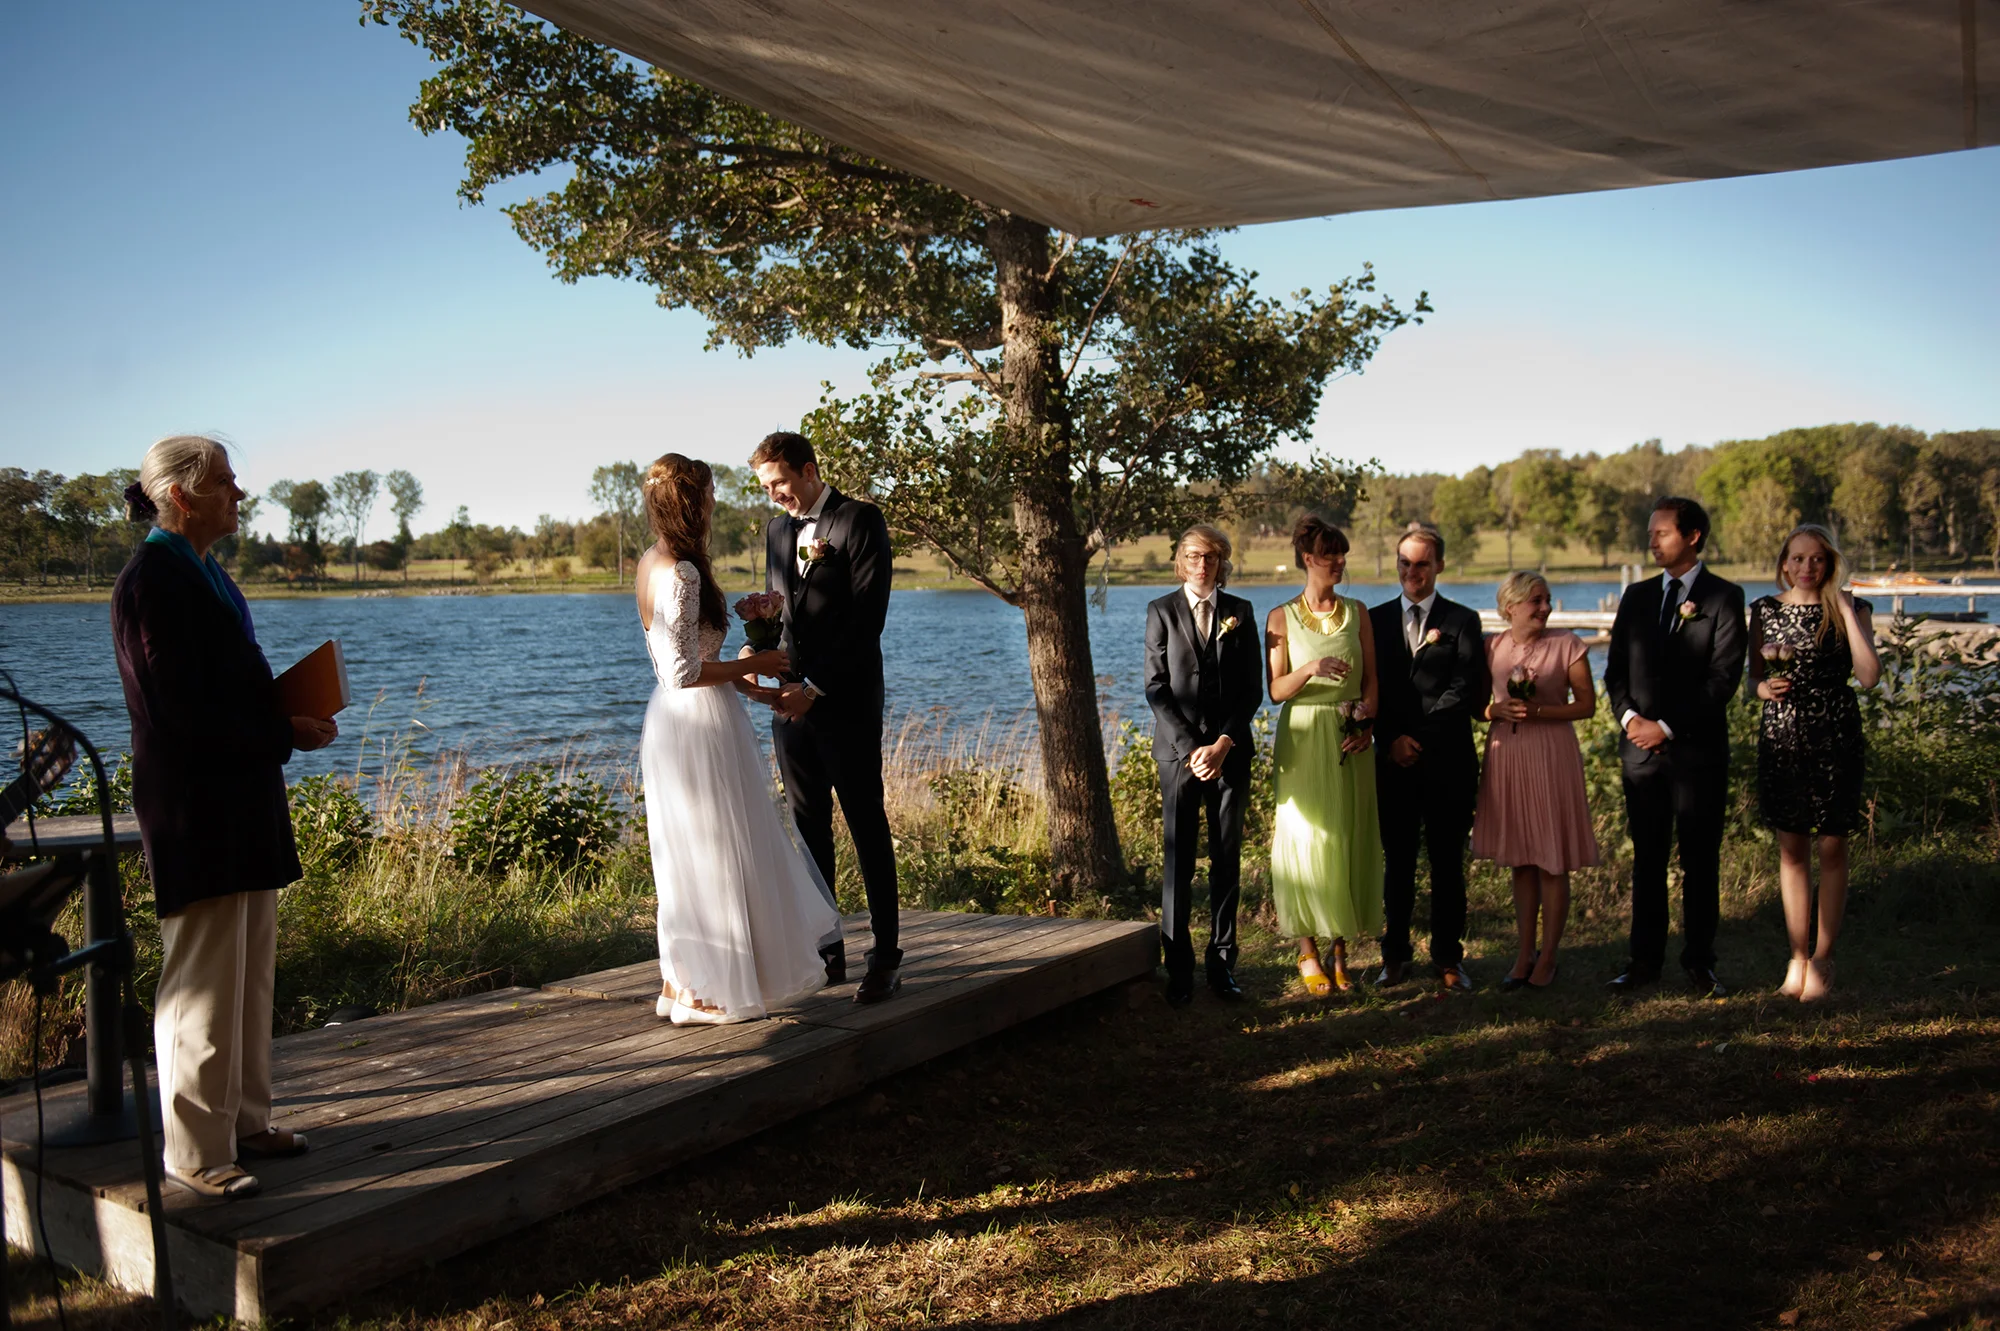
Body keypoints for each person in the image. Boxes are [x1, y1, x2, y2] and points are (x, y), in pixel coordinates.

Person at [111, 435, 337, 1200]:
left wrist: (289, 709)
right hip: (195, 804)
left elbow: (228, 686)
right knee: (202, 978)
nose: (240, 495)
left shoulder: (206, 573)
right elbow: (178, 711)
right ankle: (195, 1149)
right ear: (181, 494)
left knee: (248, 970)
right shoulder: (153, 582)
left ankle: (245, 1119)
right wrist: (281, 731)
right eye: (227, 483)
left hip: (242, 796)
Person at [637, 453, 842, 1024]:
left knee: (692, 850)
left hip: (675, 720)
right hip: (697, 723)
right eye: (706, 494)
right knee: (716, 848)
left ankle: (689, 984)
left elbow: (687, 664)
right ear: (690, 502)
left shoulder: (650, 561)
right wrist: (765, 660)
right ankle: (714, 988)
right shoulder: (682, 572)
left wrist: (754, 685)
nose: (712, 503)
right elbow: (683, 671)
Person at [752, 432, 903, 1003]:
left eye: (781, 484)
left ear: (809, 470)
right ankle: (826, 951)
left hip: (846, 702)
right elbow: (779, 612)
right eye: (767, 488)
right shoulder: (774, 531)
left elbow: (867, 623)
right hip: (790, 708)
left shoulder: (860, 520)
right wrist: (759, 652)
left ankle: (886, 957)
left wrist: (815, 688)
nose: (775, 497)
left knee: (867, 826)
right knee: (809, 830)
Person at [1603, 496, 1747, 999]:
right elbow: (1615, 671)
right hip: (1640, 757)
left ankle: (1700, 963)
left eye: (1661, 532)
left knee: (1700, 861)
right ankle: (1643, 962)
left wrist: (1664, 725)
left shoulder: (1725, 597)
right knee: (1647, 859)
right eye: (1651, 533)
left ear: (1692, 537)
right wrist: (1629, 720)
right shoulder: (1636, 596)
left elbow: (1722, 679)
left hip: (1696, 756)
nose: (1651, 541)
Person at [1749, 524, 1879, 1003]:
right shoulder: (1763, 610)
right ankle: (1796, 958)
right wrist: (1764, 689)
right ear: (1784, 562)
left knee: (1832, 846)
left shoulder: (1851, 608)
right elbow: (1753, 679)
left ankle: (1824, 959)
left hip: (1836, 733)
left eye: (1817, 559)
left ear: (1829, 563)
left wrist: (1844, 608)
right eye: (1798, 559)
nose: (1807, 568)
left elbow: (1868, 677)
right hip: (1783, 734)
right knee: (1791, 848)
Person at [1143, 524, 1263, 1006]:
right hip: (1178, 757)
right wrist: (1195, 747)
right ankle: (1179, 969)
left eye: (1210, 557)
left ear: (1221, 563)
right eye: (1193, 556)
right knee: (1178, 862)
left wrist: (1223, 744)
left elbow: (1252, 688)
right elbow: (1156, 686)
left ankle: (1222, 963)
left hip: (1230, 755)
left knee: (1226, 859)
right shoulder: (1161, 611)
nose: (1201, 564)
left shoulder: (1241, 611)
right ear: (1180, 561)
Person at [1369, 524, 1489, 993]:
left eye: (1422, 563)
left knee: (1446, 864)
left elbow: (1464, 688)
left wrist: (1415, 738)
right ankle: (1394, 956)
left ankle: (1448, 958)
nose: (1412, 572)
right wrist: (1389, 739)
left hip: (1448, 760)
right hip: (1391, 761)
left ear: (1439, 565)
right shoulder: (1373, 620)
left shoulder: (1462, 620)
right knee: (1396, 862)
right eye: (1404, 562)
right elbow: (1367, 689)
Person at [1265, 514, 1381, 994]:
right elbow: (1275, 690)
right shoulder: (1280, 617)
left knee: (1348, 837)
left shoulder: (1358, 612)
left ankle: (1340, 953)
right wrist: (1310, 666)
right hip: (1306, 735)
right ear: (1308, 559)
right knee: (1308, 838)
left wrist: (1368, 722)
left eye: (1342, 555)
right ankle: (1307, 952)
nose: (1339, 562)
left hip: (1349, 735)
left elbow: (1373, 679)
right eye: (1330, 555)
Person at [1473, 571, 1601, 991]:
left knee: (1551, 859)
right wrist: (1495, 712)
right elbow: (1476, 703)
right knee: (1522, 860)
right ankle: (1523, 952)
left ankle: (1548, 957)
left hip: (1551, 756)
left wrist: (1542, 712)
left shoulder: (1568, 645)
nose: (1545, 608)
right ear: (1510, 607)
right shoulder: (1491, 646)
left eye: (1547, 599)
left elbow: (1587, 706)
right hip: (1507, 756)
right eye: (1536, 601)